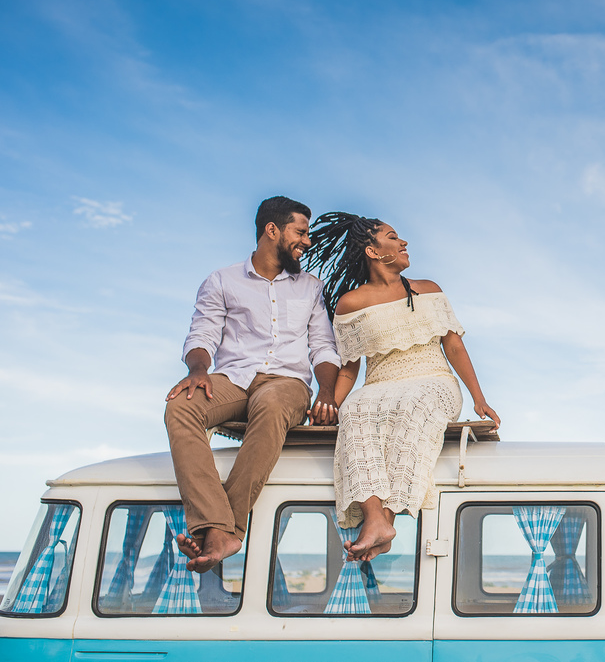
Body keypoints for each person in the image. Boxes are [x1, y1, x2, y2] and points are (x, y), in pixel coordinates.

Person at [305, 212, 500, 561]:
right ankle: (375, 519)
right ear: (372, 251)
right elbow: (350, 369)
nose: (404, 242)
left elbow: (453, 346)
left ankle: (384, 522)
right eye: (393, 237)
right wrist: (332, 406)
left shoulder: (429, 290)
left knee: (415, 404)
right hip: (378, 383)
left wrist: (479, 398)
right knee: (355, 410)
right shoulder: (351, 303)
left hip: (434, 381)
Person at [165, 196, 341, 573]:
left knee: (274, 402)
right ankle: (219, 527)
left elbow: (323, 346)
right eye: (300, 232)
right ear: (271, 230)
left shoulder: (311, 287)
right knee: (181, 406)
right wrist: (198, 370)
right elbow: (202, 333)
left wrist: (326, 392)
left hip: (287, 383)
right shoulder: (222, 280)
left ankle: (224, 528)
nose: (306, 241)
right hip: (234, 380)